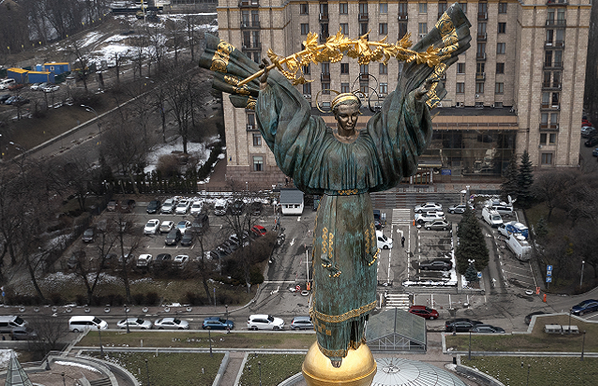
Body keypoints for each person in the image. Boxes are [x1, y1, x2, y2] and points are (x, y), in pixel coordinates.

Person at [200, 9, 470, 366]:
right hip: (332, 217)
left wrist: (413, 103)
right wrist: (271, 88)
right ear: (334, 114)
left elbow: (394, 132)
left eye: (355, 113)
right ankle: (332, 345)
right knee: (331, 276)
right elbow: (293, 126)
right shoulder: (321, 147)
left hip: (359, 217)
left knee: (360, 273)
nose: (349, 119)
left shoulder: (369, 148)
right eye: (342, 114)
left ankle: (355, 334)